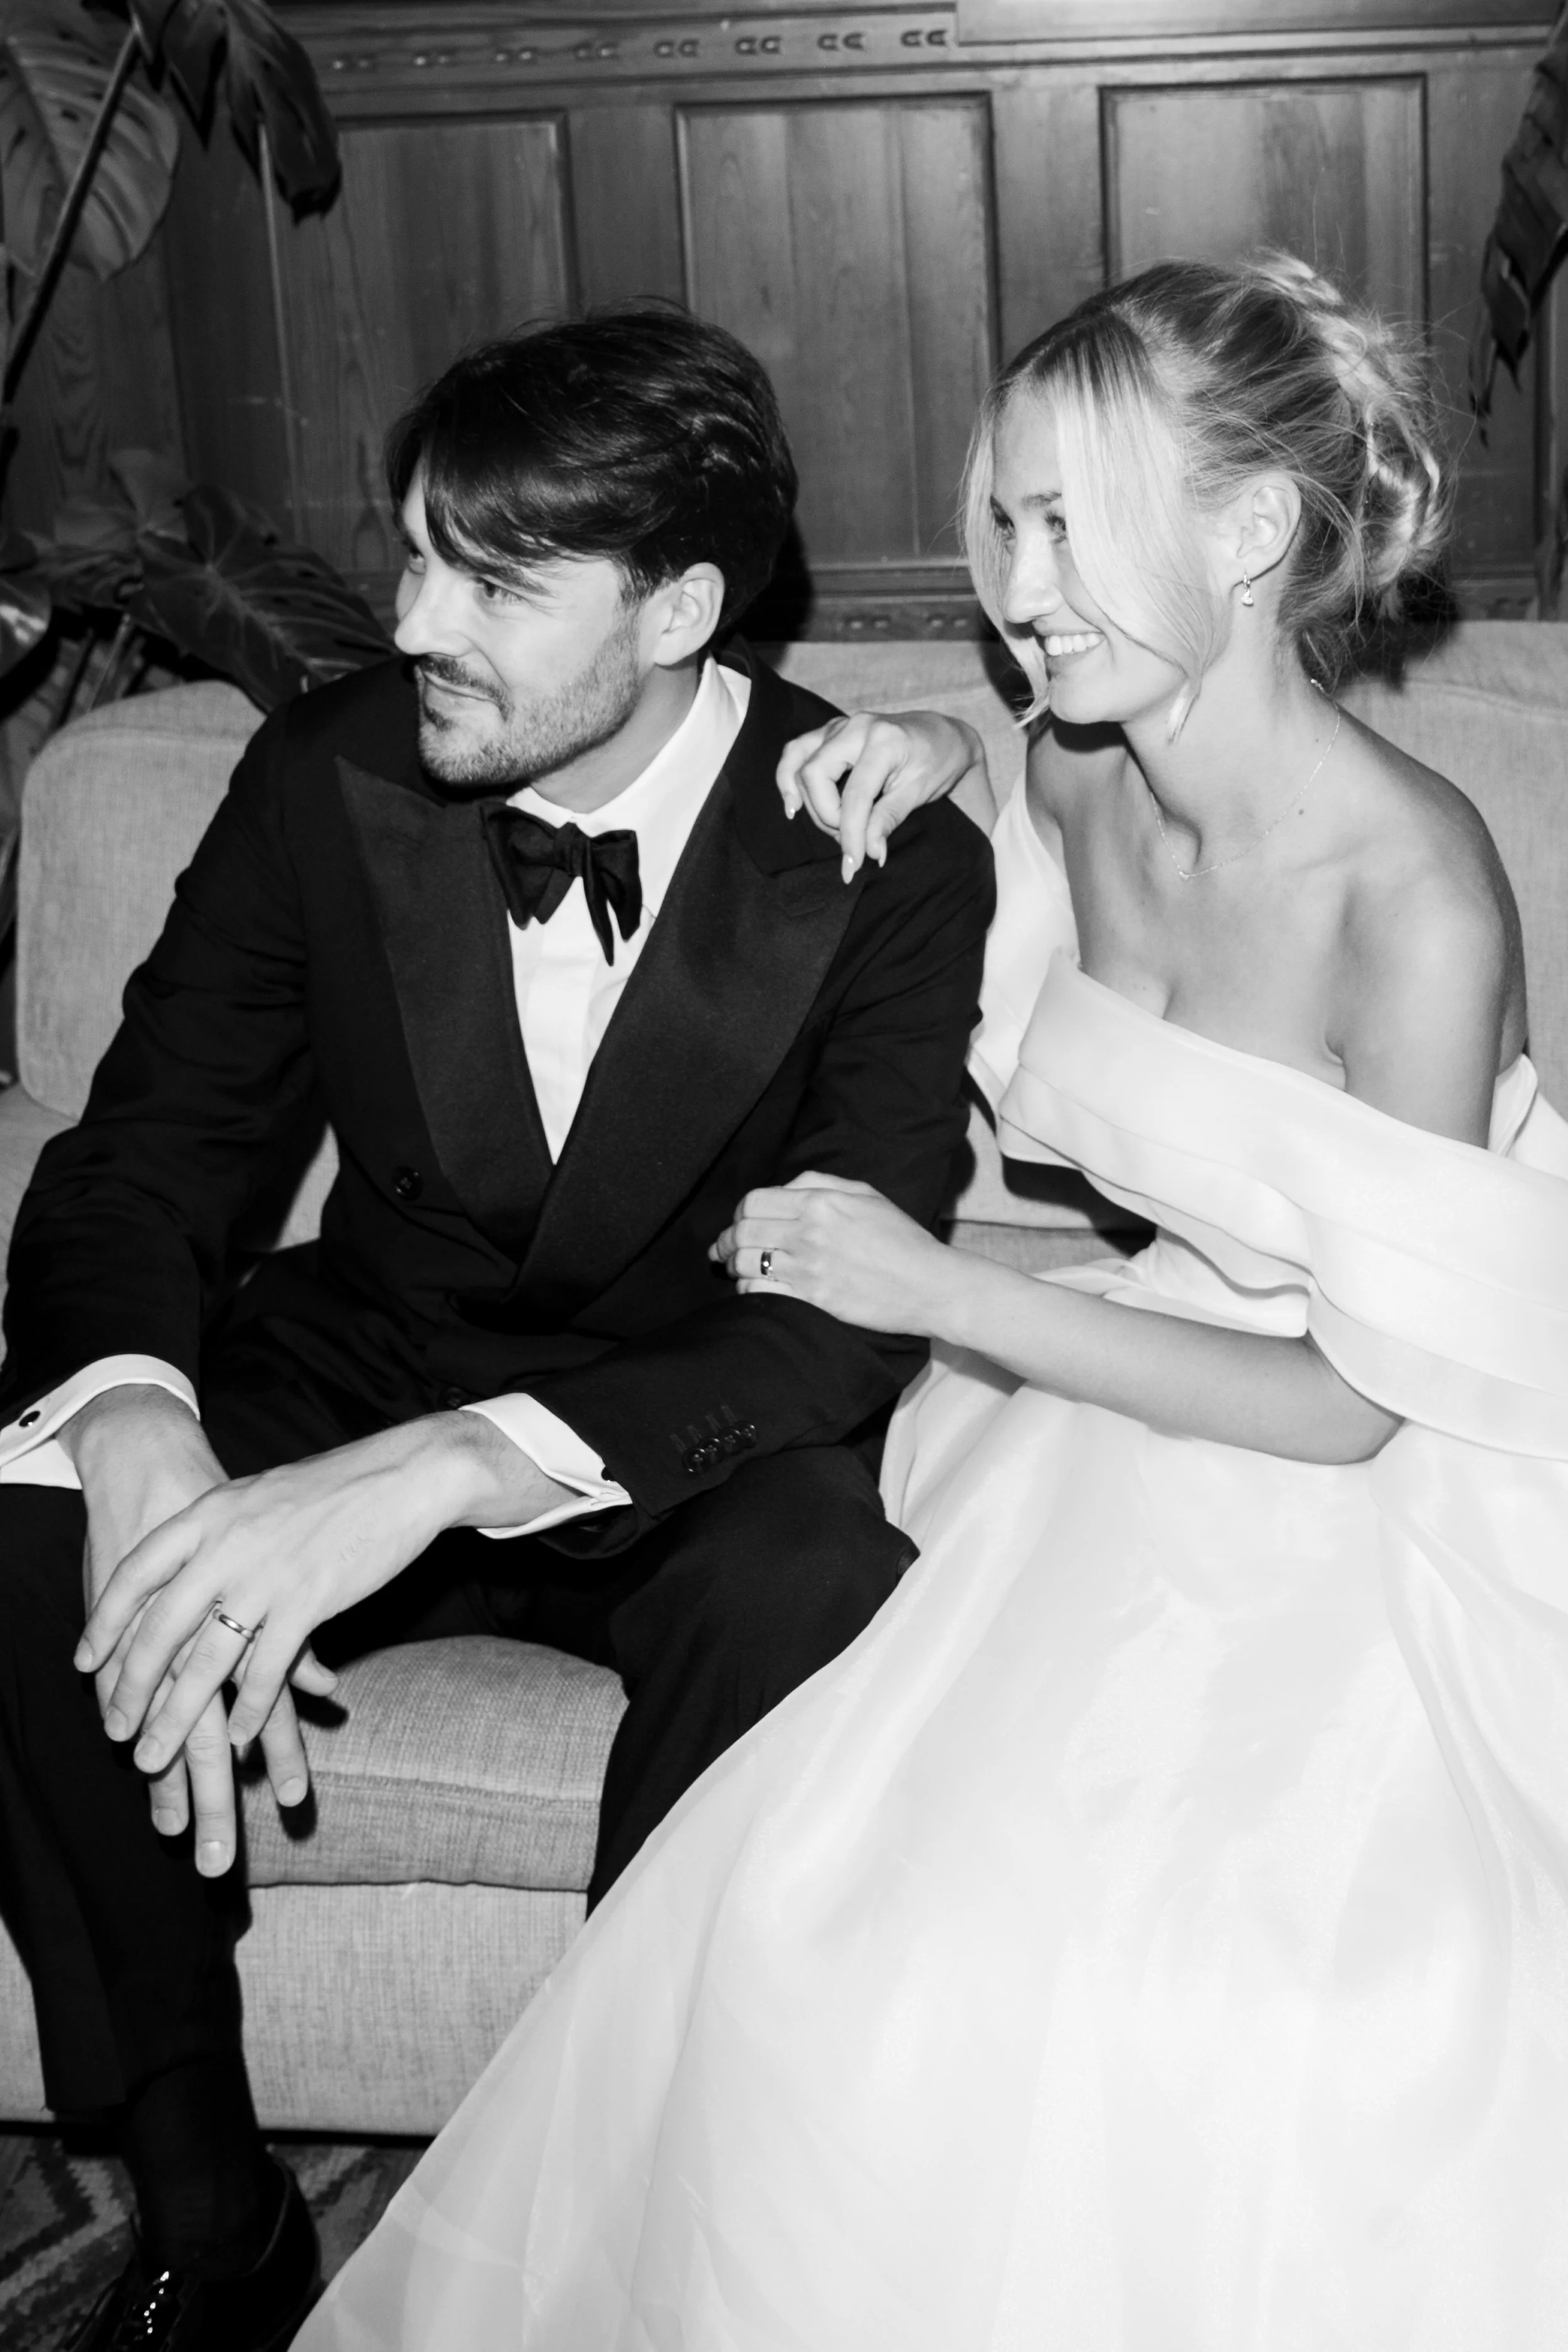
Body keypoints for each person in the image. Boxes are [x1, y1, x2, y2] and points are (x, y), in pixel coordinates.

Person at [284, 255, 1568, 2350]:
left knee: (1345, 1993)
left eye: (1064, 524)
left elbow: (1354, 1403)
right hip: (1140, 1371)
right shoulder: (1074, 764)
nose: (1010, 579)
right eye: (1003, 518)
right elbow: (1024, 800)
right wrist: (938, 752)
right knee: (826, 1923)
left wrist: (930, 1278)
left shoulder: (1407, 888)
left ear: (1248, 537)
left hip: (1417, 1441)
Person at [0, 305, 995, 2351]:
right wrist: (135, 1433)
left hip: (677, 1425)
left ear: (676, 607)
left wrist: (460, 1466)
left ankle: (620, 2193)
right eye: (416, 550)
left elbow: (838, 1325)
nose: (413, 614)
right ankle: (209, 2194)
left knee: (822, 1568)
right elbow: (140, 1159)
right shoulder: (328, 776)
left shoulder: (883, 859)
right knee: (19, 1514)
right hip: (365, 1337)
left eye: (492, 577)